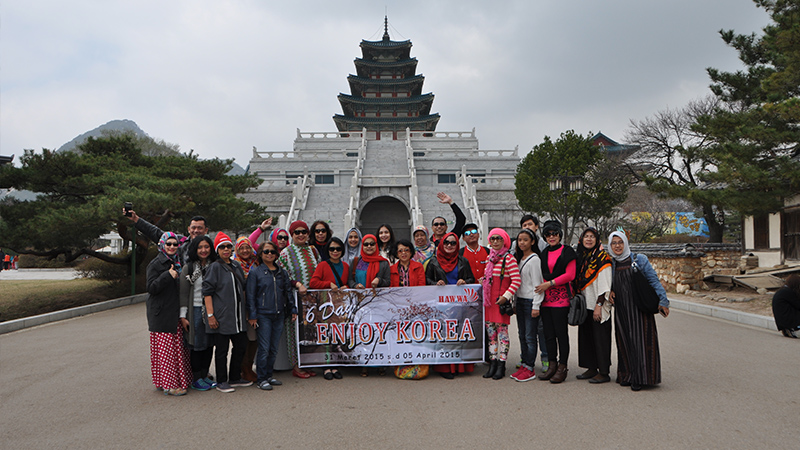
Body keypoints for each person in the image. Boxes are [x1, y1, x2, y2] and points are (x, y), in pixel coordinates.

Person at [608, 230, 670, 391]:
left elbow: (653, 280)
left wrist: (663, 301)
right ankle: (626, 374)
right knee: (624, 341)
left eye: (620, 242)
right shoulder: (611, 263)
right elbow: (607, 282)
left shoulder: (639, 259)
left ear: (625, 243)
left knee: (641, 341)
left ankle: (641, 378)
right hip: (622, 309)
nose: (617, 246)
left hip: (640, 308)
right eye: (614, 243)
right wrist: (610, 291)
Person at [203, 232, 251, 393]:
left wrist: (246, 311)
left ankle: (235, 376)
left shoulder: (236, 265)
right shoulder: (214, 267)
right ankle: (222, 380)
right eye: (222, 247)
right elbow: (207, 292)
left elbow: (242, 289)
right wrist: (211, 315)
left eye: (228, 246)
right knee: (221, 350)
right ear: (217, 250)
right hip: (222, 317)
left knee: (240, 346)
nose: (226, 249)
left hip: (238, 317)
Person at [146, 232, 192, 396]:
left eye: (175, 244)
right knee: (166, 351)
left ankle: (172, 381)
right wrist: (167, 275)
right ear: (162, 245)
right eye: (169, 244)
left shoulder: (177, 262)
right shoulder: (156, 264)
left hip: (174, 312)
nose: (172, 247)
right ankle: (170, 385)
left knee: (176, 349)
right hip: (162, 314)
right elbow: (151, 288)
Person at [247, 241, 296, 390]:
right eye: (266, 251)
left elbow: (287, 292)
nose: (269, 254)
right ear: (261, 254)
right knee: (264, 348)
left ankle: (268, 375)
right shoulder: (255, 272)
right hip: (263, 315)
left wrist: (293, 309)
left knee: (274, 348)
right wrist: (252, 315)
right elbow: (251, 296)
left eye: (272, 252)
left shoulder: (282, 272)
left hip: (279, 314)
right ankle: (261, 378)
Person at [426, 232, 476, 379]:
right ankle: (444, 367)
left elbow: (471, 278)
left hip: (459, 304)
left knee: (458, 334)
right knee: (443, 335)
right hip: (440, 305)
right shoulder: (433, 261)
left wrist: (465, 281)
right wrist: (435, 283)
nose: (449, 245)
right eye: (447, 242)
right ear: (442, 244)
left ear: (457, 245)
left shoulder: (463, 261)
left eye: (453, 243)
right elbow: (426, 280)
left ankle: (458, 366)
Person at [535, 220, 577, 384]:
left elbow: (570, 274)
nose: (551, 237)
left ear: (560, 235)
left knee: (561, 334)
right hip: (546, 299)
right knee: (548, 334)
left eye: (554, 234)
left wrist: (550, 283)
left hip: (561, 299)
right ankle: (552, 365)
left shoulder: (567, 251)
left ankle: (562, 366)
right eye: (548, 234)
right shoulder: (544, 253)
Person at [277, 220, 320, 379]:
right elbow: (281, 276)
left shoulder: (313, 251)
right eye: (297, 232)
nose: (301, 235)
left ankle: (307, 363)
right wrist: (297, 284)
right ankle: (296, 366)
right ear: (292, 235)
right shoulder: (285, 253)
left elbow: (320, 270)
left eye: (304, 232)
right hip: (294, 298)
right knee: (294, 332)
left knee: (310, 332)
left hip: (312, 300)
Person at [348, 233, 391, 376]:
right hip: (361, 303)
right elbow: (349, 280)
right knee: (362, 333)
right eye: (366, 244)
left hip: (378, 303)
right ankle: (364, 364)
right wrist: (355, 285)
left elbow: (388, 282)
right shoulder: (356, 262)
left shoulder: (383, 263)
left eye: (372, 244)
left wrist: (379, 280)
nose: (369, 247)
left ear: (376, 245)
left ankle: (380, 364)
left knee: (378, 333)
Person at [481, 228, 521, 381]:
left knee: (502, 335)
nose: (495, 241)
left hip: (500, 302)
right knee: (491, 336)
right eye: (493, 239)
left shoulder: (509, 259)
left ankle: (501, 365)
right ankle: (493, 363)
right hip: (489, 303)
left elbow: (516, 280)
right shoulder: (489, 258)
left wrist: (506, 296)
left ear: (504, 241)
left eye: (499, 238)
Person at [574, 227, 613, 384]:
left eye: (592, 236)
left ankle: (603, 371)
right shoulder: (584, 258)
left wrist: (599, 304)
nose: (589, 239)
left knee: (600, 339)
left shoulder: (602, 258)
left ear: (597, 240)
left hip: (598, 305)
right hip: (586, 305)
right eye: (586, 236)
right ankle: (591, 368)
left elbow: (605, 284)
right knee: (587, 338)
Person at [179, 236, 217, 391]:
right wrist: (183, 316)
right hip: (195, 310)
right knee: (196, 345)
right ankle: (196, 379)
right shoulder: (188, 268)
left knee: (209, 344)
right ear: (195, 249)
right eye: (200, 247)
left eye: (206, 247)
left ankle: (204, 375)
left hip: (212, 310)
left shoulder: (214, 266)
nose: (203, 250)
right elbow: (183, 293)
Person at [309, 237, 350, 380]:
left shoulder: (346, 266)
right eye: (332, 249)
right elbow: (313, 282)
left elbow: (347, 283)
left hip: (339, 305)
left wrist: (346, 287)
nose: (335, 251)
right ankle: (326, 366)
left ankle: (335, 365)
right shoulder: (322, 265)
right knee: (326, 335)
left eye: (338, 249)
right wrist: (328, 284)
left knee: (337, 335)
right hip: (325, 305)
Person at [509, 229, 544, 382]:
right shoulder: (519, 259)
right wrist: (515, 302)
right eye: (519, 240)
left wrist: (536, 305)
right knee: (522, 335)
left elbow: (538, 285)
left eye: (525, 240)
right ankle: (524, 364)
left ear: (532, 242)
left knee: (530, 336)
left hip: (530, 302)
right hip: (521, 301)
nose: (522, 243)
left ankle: (530, 367)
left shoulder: (534, 260)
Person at [127, 210, 209, 264]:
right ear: (189, 229)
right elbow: (156, 233)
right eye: (193, 228)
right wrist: (136, 219)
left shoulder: (210, 248)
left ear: (206, 230)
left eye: (200, 228)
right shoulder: (179, 242)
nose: (196, 231)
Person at [234, 235, 260, 383]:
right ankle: (244, 369)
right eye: (241, 248)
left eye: (247, 247)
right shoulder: (235, 264)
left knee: (254, 339)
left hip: (257, 305)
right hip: (242, 307)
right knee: (246, 339)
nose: (245, 251)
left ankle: (248, 367)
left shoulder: (256, 262)